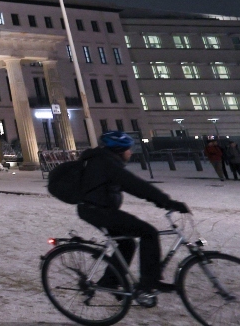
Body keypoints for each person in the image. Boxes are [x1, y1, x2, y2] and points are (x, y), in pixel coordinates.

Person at [77, 131, 189, 305]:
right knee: (148, 232)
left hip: (94, 209)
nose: (131, 153)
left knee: (127, 242)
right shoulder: (107, 163)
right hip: (98, 211)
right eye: (129, 149)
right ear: (119, 150)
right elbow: (135, 185)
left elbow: (131, 185)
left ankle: (110, 280)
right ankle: (149, 282)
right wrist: (167, 202)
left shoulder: (103, 160)